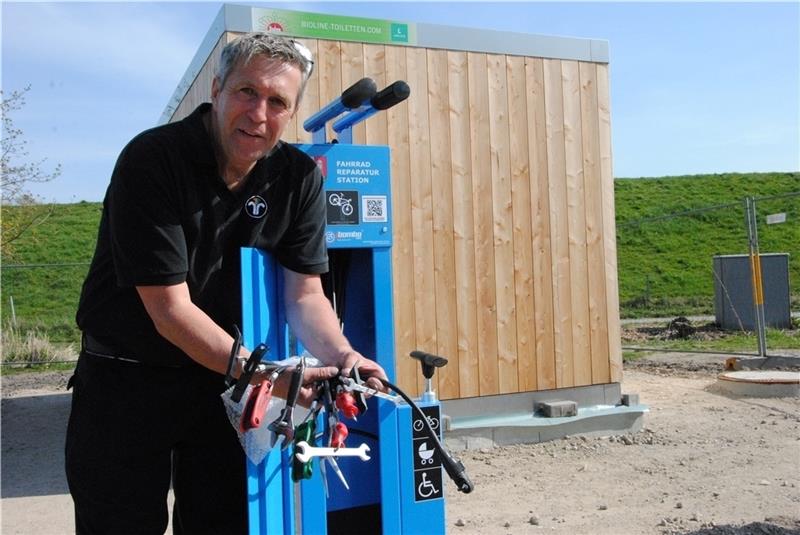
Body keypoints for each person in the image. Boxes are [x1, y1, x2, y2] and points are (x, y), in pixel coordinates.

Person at [65, 32, 388, 535]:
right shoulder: (153, 160)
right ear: (216, 89)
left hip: (222, 382)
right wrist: (263, 375)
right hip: (125, 380)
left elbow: (305, 295)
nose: (260, 113)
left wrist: (344, 355)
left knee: (227, 522)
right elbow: (169, 309)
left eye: (278, 101)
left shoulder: (298, 178)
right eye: (247, 92)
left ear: (291, 110)